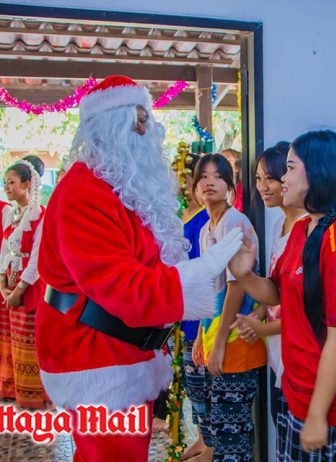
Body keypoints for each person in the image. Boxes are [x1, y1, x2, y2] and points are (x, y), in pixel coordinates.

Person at [34, 75, 243, 462]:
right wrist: (200, 273)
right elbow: (121, 286)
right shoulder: (84, 191)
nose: (149, 131)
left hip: (124, 352)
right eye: (139, 120)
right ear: (111, 126)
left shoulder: (121, 187)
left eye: (148, 119)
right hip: (95, 358)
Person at [229, 130, 336, 461]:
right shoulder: (302, 229)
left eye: (291, 168)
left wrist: (318, 414)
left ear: (318, 173)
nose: (283, 179)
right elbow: (277, 293)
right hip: (297, 388)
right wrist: (244, 274)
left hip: (331, 403)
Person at [190, 153, 266, 462]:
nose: (209, 182)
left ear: (230, 185)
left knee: (232, 434)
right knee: (221, 429)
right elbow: (210, 287)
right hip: (216, 335)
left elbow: (236, 286)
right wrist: (201, 337)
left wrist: (219, 343)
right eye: (203, 176)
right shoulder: (206, 229)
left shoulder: (234, 221)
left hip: (236, 338)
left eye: (218, 176)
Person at [232, 141, 307, 432]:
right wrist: (260, 312)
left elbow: (308, 312)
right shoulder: (279, 226)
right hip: (280, 356)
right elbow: (279, 291)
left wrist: (261, 328)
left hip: (299, 360)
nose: (263, 187)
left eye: (271, 178)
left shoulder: (309, 231)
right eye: (258, 178)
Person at [0, 155, 47, 409]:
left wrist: (19, 290)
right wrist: (2, 283)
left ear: (27, 184)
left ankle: (34, 396)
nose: (7, 187)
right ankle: (15, 389)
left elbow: (37, 259)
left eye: (11, 182)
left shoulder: (39, 215)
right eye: (5, 183)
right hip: (10, 282)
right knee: (14, 341)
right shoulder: (11, 214)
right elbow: (4, 250)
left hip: (29, 285)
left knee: (30, 341)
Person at [172, 153, 210, 460]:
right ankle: (201, 437)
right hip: (181, 308)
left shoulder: (205, 220)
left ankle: (209, 443)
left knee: (202, 377)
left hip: (199, 309)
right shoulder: (180, 216)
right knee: (191, 379)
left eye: (179, 175)